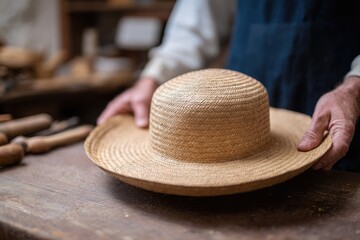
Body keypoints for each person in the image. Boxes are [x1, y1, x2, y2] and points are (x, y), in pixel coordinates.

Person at [98, 0, 360, 172]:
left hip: (345, 117)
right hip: (239, 118)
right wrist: (152, 79)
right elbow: (194, 26)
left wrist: (355, 87)